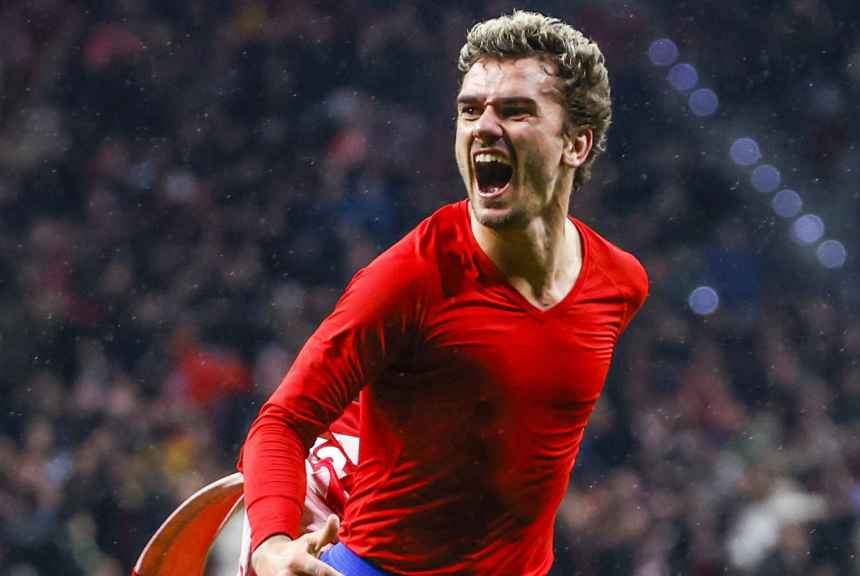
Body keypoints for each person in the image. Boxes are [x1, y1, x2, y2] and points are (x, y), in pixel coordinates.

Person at [240, 10, 648, 575]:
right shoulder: (408, 278)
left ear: (575, 144)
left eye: (515, 110)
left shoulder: (621, 283)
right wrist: (273, 546)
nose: (483, 126)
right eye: (469, 109)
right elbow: (281, 422)